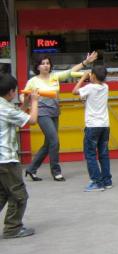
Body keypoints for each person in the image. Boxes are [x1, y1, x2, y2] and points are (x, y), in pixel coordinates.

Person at [23, 52, 98, 182]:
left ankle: (31, 169)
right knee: (55, 141)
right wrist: (27, 103)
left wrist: (85, 62)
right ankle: (56, 171)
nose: (46, 66)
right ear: (38, 66)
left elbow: (70, 72)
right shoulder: (32, 81)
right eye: (43, 64)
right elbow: (23, 95)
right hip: (42, 113)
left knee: (48, 143)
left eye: (47, 63)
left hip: (54, 112)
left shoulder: (55, 76)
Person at [0, 74, 38, 239]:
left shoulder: (4, 106)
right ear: (10, 92)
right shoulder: (6, 108)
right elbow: (32, 120)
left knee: (2, 194)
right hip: (7, 159)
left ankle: (12, 226)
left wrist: (27, 103)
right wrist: (36, 102)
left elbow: (17, 117)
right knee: (19, 195)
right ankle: (12, 228)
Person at [72, 65, 112, 192]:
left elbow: (74, 91)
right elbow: (88, 99)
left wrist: (83, 77)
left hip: (92, 126)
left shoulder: (89, 87)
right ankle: (107, 180)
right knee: (103, 154)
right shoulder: (106, 87)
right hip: (105, 126)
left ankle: (96, 182)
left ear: (93, 76)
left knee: (90, 154)